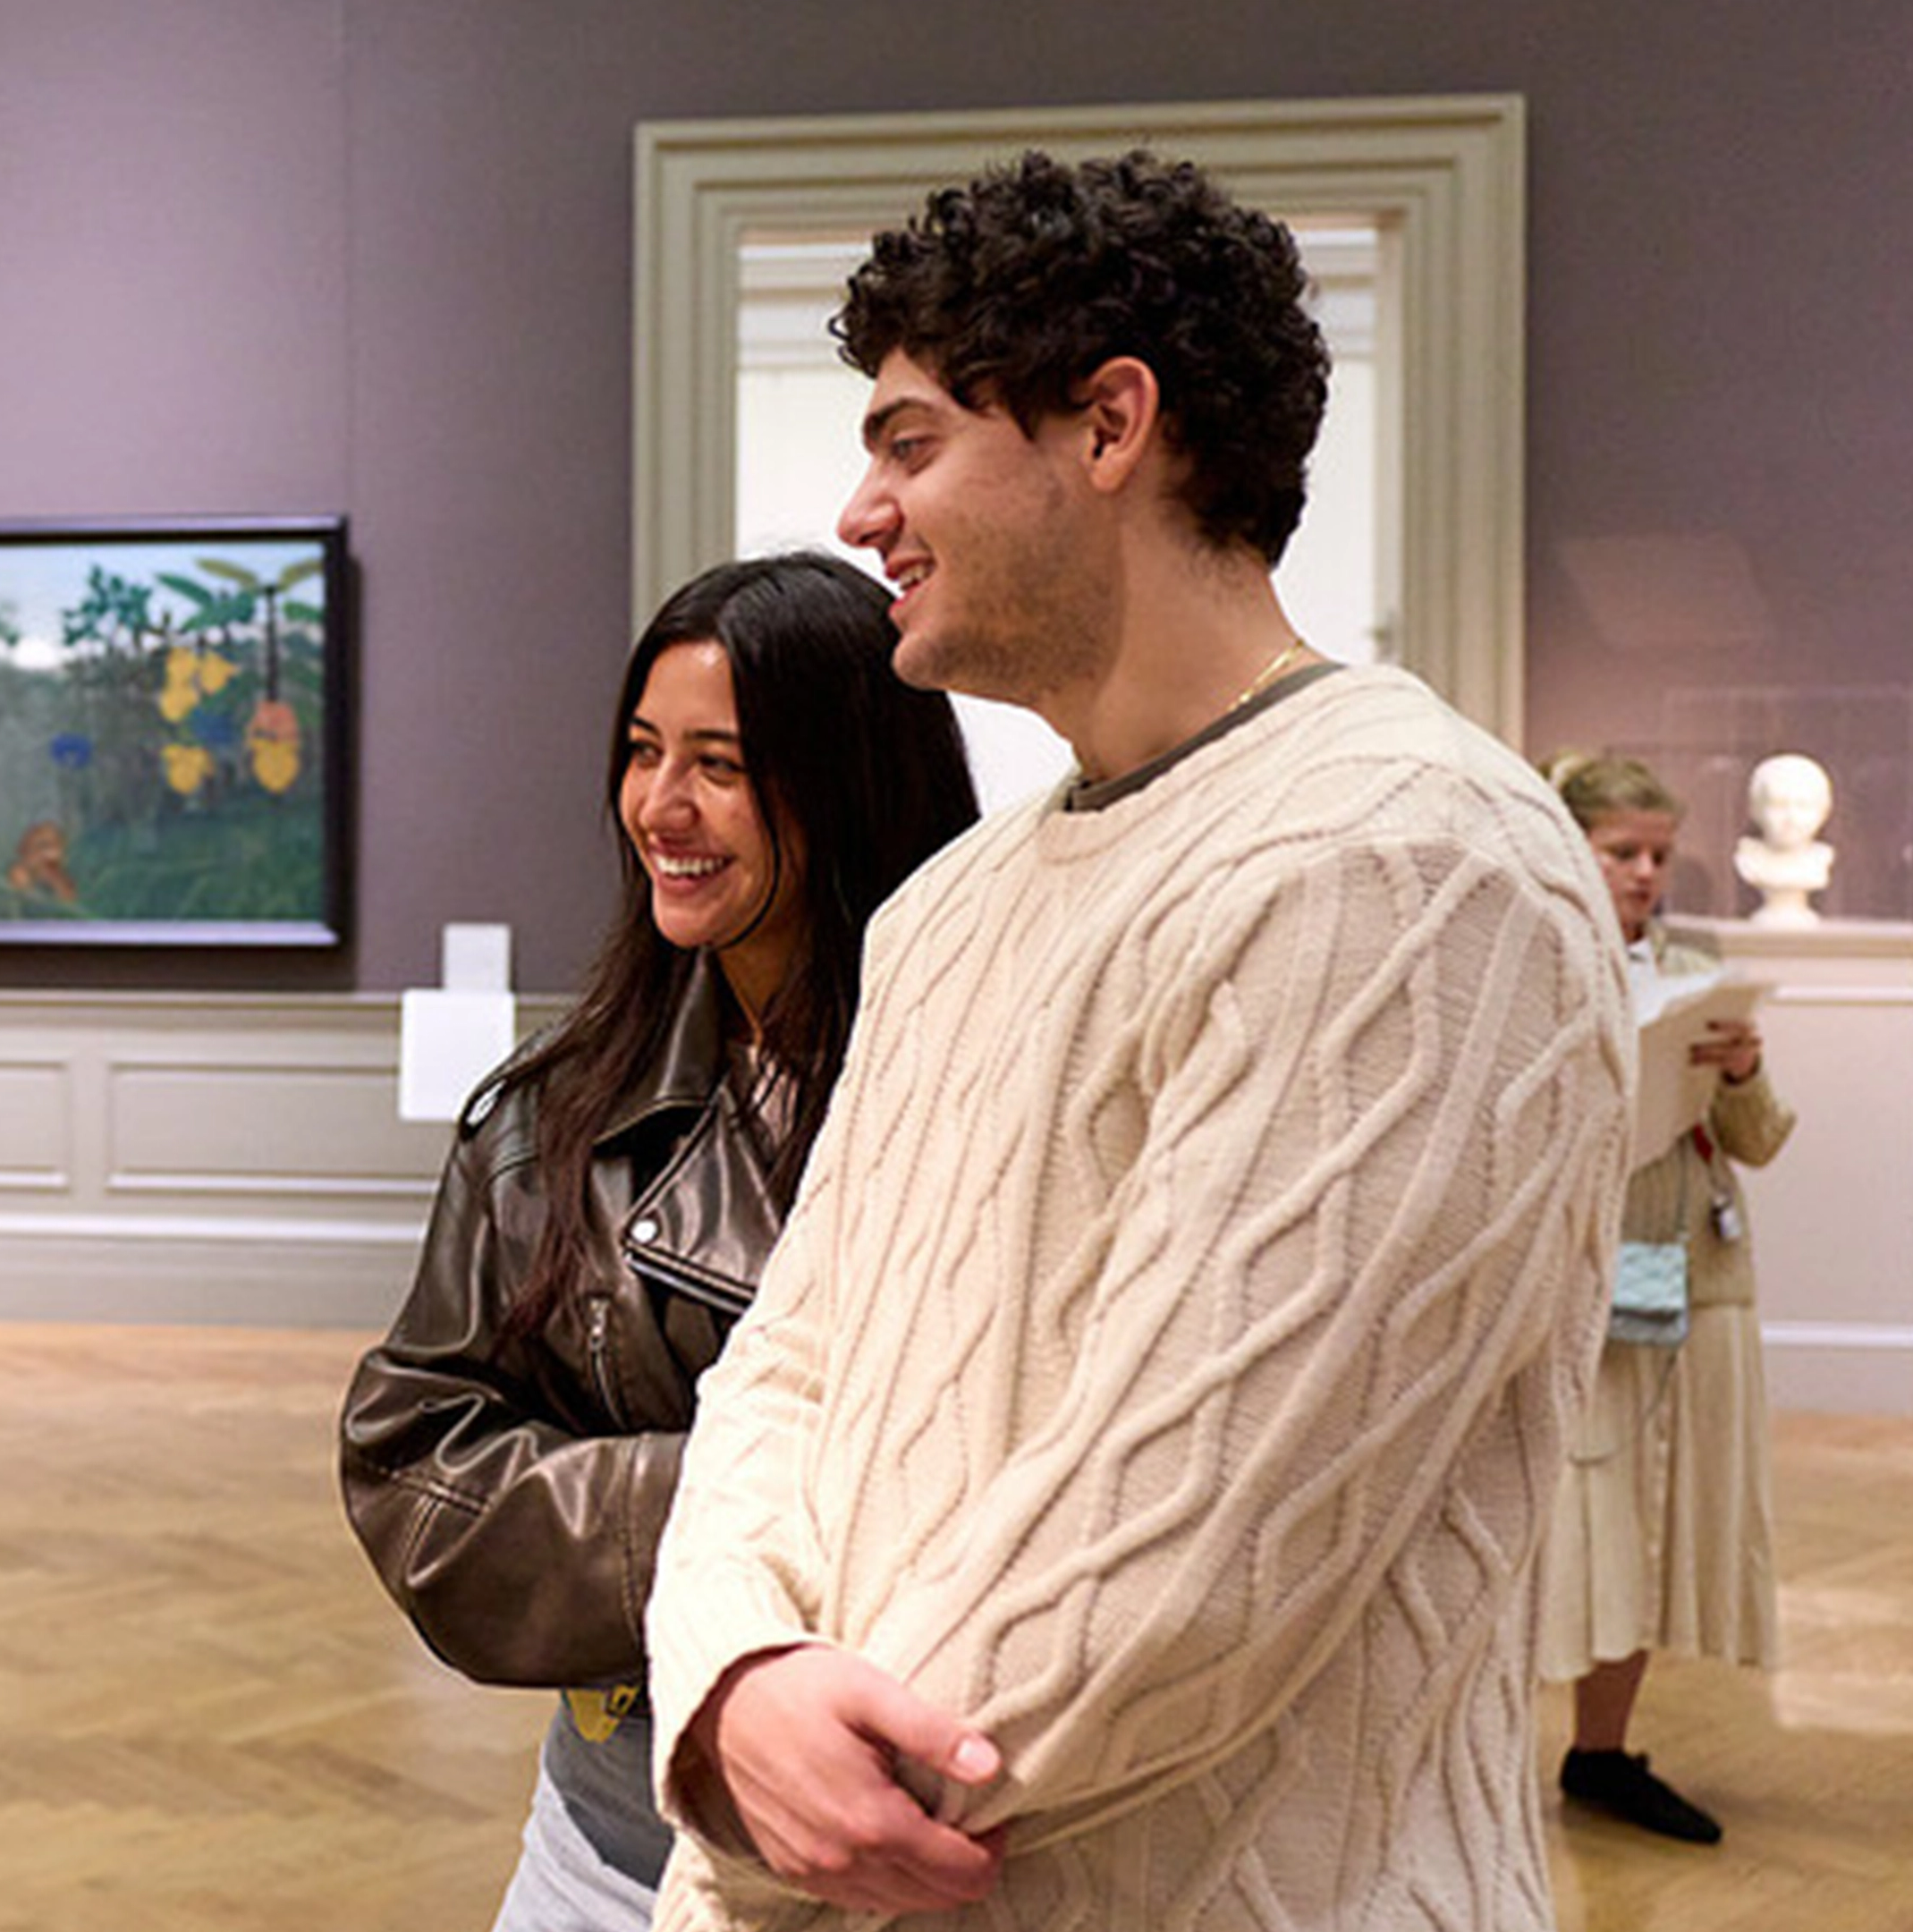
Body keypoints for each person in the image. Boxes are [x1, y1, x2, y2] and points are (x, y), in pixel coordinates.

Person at [640, 150, 1634, 1929]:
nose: (862, 512)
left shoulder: (1413, 861)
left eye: (911, 440)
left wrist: (784, 1807)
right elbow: (783, 1373)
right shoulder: (950, 905)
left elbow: (1194, 1557)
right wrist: (728, 1691)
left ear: (1112, 425)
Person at [340, 553, 978, 1930]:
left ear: (851, 780)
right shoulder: (551, 1120)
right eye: (641, 754)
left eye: (722, 765)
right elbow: (416, 1460)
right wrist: (729, 1510)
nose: (661, 808)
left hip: (932, 1855)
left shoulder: (994, 1089)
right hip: (611, 1845)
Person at [1539, 752, 1794, 1844]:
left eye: (1658, 855)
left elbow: (1761, 1143)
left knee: (1647, 1522)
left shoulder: (1695, 961)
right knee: (1579, 1521)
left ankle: (1603, 1752)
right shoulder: (1538, 962)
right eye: (1622, 852)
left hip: (1690, 1270)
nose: (1645, 874)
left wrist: (1740, 1076)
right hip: (1577, 1277)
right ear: (1573, 847)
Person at [1732, 750, 1834, 923]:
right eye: (1778, 805)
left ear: (1823, 812)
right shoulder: (1748, 861)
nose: (1791, 818)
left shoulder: (1821, 859)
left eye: (1803, 806)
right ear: (1756, 810)